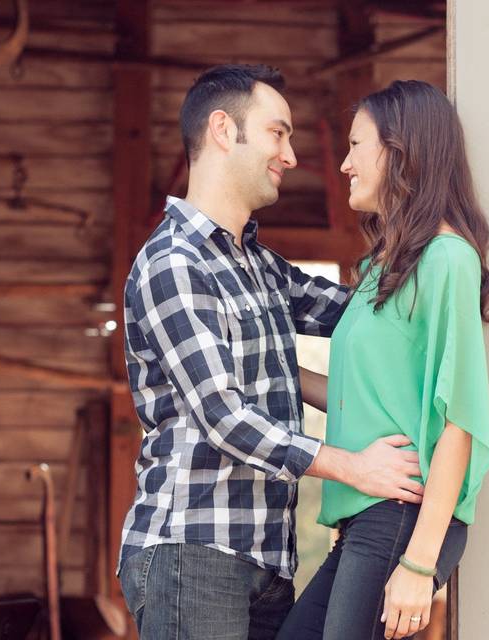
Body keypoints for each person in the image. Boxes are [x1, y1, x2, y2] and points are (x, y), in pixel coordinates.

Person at [118, 64, 426, 640]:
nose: (289, 156)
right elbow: (224, 416)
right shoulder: (173, 263)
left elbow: (366, 317)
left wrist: (427, 241)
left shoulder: (259, 267)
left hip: (266, 557)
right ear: (222, 130)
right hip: (194, 549)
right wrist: (354, 468)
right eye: (277, 133)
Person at [277, 80, 489, 640]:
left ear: (400, 151)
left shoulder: (448, 259)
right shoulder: (384, 267)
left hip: (403, 515)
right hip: (367, 517)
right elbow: (365, 395)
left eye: (356, 145)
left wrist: (420, 564)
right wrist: (272, 367)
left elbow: (458, 420)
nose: (345, 164)